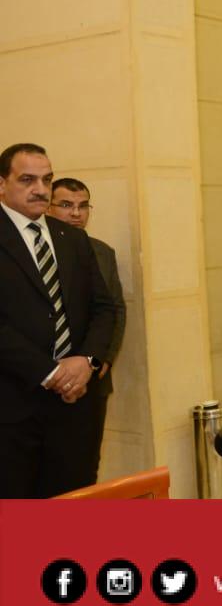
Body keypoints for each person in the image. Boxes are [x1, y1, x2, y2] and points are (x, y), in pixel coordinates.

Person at [0, 143, 115, 497]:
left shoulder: (73, 239)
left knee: (75, 505)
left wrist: (86, 361)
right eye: (27, 180)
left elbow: (103, 308)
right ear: (2, 184)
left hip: (77, 406)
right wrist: (51, 373)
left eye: (47, 180)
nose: (40, 189)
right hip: (14, 410)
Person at [46, 177, 127, 482]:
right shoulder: (34, 252)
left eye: (83, 206)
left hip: (92, 377)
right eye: (66, 205)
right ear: (48, 207)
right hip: (46, 377)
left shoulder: (102, 252)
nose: (76, 214)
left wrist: (102, 358)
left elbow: (114, 308)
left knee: (86, 465)